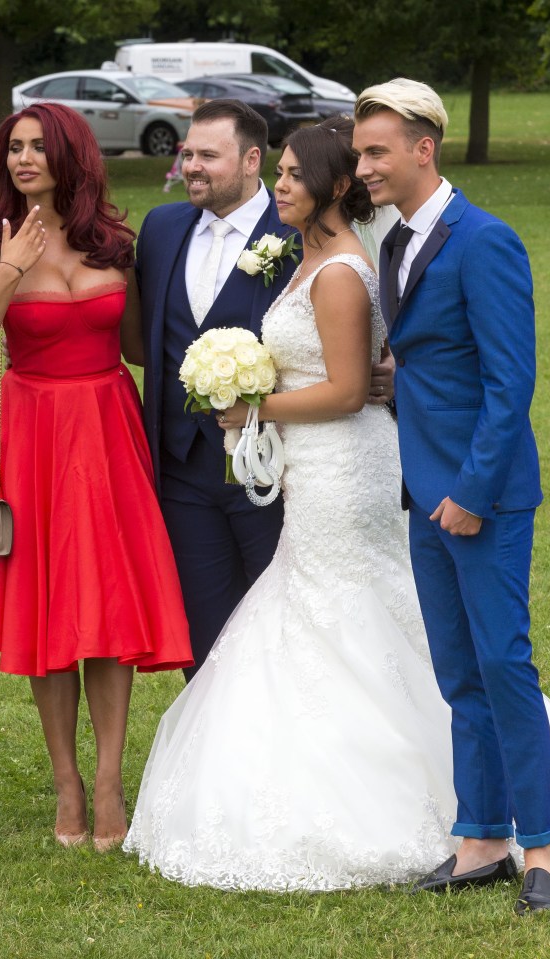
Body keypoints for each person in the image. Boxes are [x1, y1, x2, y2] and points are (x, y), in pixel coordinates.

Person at [124, 116, 550, 892]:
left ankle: (533, 834)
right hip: (351, 469)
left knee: (454, 643)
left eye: (290, 175)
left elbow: (377, 387)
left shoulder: (398, 256)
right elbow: (399, 358)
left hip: (376, 473)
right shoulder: (372, 251)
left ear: (343, 181)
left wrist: (259, 406)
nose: (277, 186)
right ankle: (479, 831)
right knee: (422, 643)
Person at [0, 102, 192, 852]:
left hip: (108, 426)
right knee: (47, 607)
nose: (23, 159)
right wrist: (13, 269)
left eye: (37, 147)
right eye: (13, 148)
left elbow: (141, 345)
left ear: (70, 157)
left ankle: (113, 778)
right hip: (33, 435)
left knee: (109, 605)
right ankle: (67, 782)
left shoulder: (113, 242)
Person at [352, 77, 550, 912]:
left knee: (505, 663)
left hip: (486, 493)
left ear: (422, 148)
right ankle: (481, 839)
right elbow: (439, 356)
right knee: (459, 671)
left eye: (376, 150)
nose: (363, 165)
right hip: (424, 489)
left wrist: (473, 490)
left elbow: (512, 382)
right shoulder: (398, 241)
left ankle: (541, 848)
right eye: (361, 150)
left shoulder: (485, 240)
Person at [126, 99, 394, 678]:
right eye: (187, 154)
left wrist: (390, 366)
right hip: (180, 469)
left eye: (208, 155)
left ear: (251, 158)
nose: (193, 166)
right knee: (206, 629)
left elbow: (365, 320)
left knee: (290, 620)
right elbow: (140, 337)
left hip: (281, 467)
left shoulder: (304, 230)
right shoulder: (161, 229)